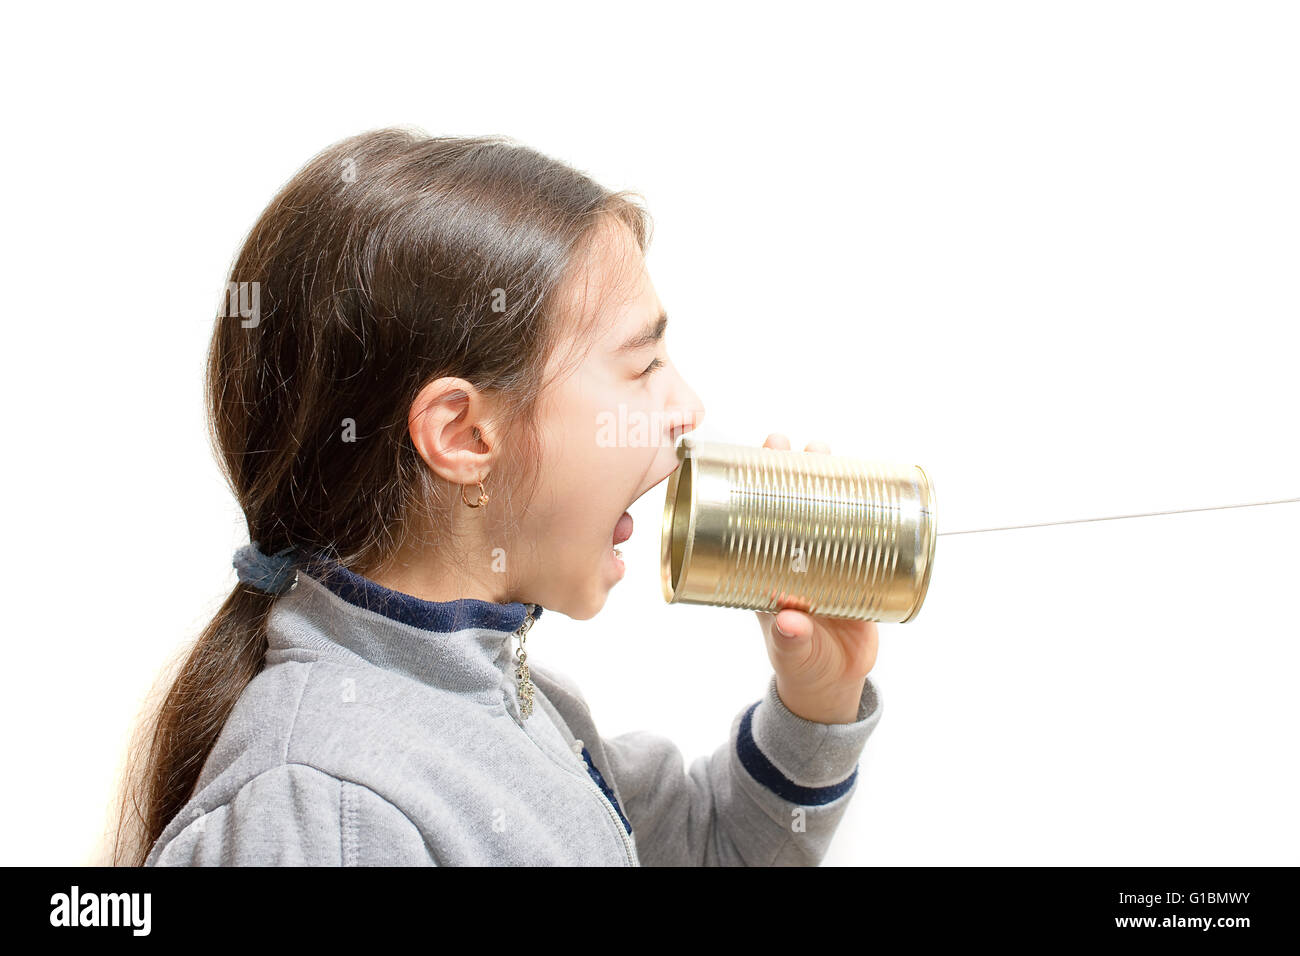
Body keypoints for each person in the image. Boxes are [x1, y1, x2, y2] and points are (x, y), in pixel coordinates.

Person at [114, 128, 882, 866]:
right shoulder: (324, 812)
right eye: (643, 365)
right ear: (465, 435)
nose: (689, 407)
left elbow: (711, 849)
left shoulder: (520, 704)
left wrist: (819, 697)